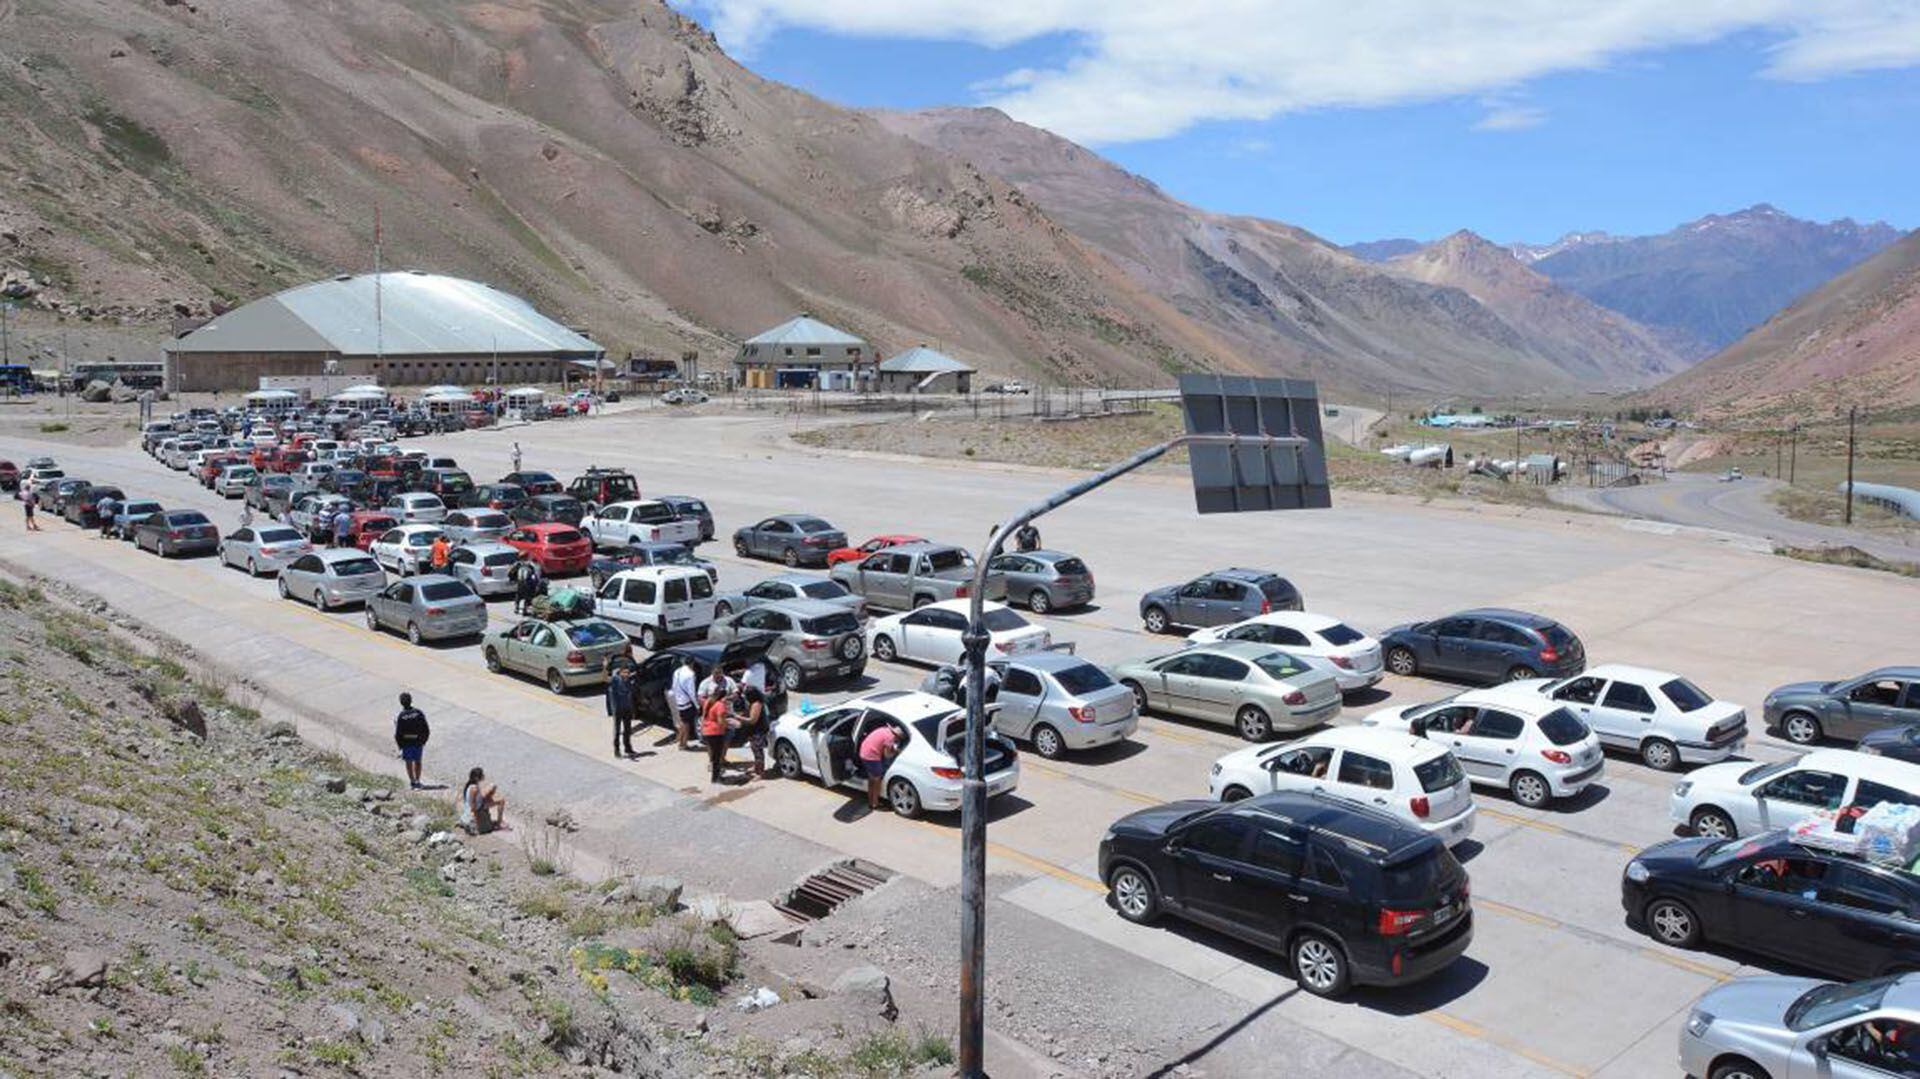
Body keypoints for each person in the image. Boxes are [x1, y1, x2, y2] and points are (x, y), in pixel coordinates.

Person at [857, 723, 902, 812]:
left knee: (871, 778)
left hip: (863, 752)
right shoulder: (890, 738)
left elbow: (882, 744)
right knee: (877, 780)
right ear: (897, 736)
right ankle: (875, 804)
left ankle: (870, 801)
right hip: (871, 756)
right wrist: (896, 752)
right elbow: (887, 755)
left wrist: (892, 749)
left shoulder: (884, 729)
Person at [394, 691, 430, 789]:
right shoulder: (418, 713)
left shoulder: (401, 716)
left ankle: (412, 781)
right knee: (418, 761)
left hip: (406, 744)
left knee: (408, 762)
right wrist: (424, 740)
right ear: (411, 701)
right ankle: (417, 781)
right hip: (418, 742)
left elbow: (398, 733)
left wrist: (400, 746)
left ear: (401, 702)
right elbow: (426, 728)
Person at [700, 690, 737, 783]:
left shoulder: (708, 702)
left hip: (707, 730)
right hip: (716, 732)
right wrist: (729, 724)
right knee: (717, 756)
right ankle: (716, 778)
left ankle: (716, 776)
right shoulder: (720, 705)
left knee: (713, 755)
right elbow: (721, 721)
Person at [457, 767, 507, 834]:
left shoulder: (470, 786)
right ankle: (499, 822)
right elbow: (473, 806)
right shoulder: (474, 789)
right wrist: (476, 820)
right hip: (478, 808)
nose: (483, 776)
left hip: (479, 804)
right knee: (501, 801)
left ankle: (498, 821)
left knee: (492, 787)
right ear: (477, 778)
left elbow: (476, 799)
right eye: (482, 774)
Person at [737, 682, 769, 779]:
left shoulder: (756, 704)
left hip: (758, 730)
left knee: (758, 751)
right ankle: (756, 767)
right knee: (754, 749)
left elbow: (752, 720)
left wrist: (738, 717)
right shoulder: (753, 703)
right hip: (753, 731)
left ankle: (760, 773)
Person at [669, 653, 699, 752]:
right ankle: (683, 744)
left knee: (683, 722)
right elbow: (692, 692)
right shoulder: (691, 674)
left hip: (678, 700)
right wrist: (697, 705)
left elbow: (674, 686)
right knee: (687, 725)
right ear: (692, 663)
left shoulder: (677, 671)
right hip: (686, 702)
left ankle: (680, 741)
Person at [606, 661, 636, 758]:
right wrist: (605, 668)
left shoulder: (629, 681)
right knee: (617, 730)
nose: (627, 674)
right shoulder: (616, 680)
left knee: (627, 730)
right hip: (618, 709)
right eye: (625, 672)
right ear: (620, 672)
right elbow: (605, 679)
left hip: (627, 708)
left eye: (628, 672)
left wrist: (632, 709)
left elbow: (630, 695)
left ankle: (628, 747)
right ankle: (617, 749)